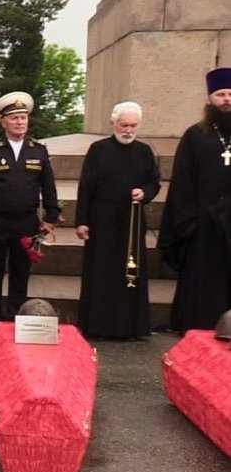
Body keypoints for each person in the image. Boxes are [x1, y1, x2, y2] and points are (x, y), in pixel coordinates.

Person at [0, 91, 60, 326]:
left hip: (27, 221)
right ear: (4, 122)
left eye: (23, 118)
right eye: (14, 118)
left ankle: (16, 317)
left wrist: (51, 216)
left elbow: (48, 185)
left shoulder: (38, 150)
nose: (19, 123)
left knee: (21, 271)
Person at [75, 101, 161, 339]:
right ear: (113, 123)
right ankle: (98, 326)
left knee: (130, 272)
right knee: (102, 272)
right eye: (124, 125)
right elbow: (86, 188)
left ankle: (131, 327)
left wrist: (145, 193)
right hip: (101, 219)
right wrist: (81, 221)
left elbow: (154, 182)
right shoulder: (99, 149)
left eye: (133, 126)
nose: (128, 130)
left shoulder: (144, 151)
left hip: (131, 221)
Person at [158, 67, 231, 332]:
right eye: (220, 94)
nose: (226, 99)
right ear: (210, 99)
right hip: (204, 222)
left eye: (230, 94)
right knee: (203, 279)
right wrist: (190, 221)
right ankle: (198, 326)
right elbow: (182, 182)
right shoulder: (195, 135)